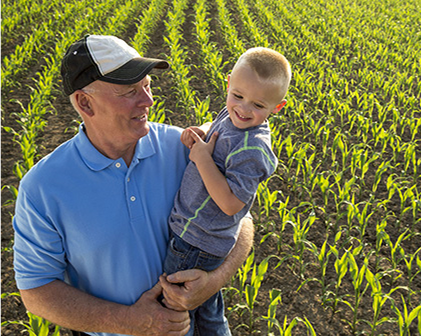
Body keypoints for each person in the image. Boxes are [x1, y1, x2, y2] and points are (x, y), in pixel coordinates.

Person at [11, 34, 254, 336]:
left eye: (148, 85)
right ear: (85, 103)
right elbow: (37, 290)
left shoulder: (184, 149)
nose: (148, 101)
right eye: (129, 92)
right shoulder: (44, 187)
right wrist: (129, 321)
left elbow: (241, 220)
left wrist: (213, 282)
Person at [164, 47, 291, 335]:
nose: (244, 110)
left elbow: (232, 204)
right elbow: (219, 126)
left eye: (259, 105)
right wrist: (201, 131)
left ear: (277, 107)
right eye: (238, 96)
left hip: (197, 241)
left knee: (174, 309)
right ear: (229, 83)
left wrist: (202, 158)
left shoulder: (252, 149)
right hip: (198, 237)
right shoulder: (232, 115)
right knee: (207, 312)